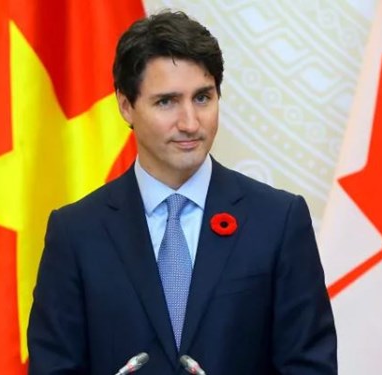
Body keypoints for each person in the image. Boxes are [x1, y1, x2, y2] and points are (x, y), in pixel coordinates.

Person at [27, 10, 337, 375]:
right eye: (166, 102)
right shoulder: (76, 232)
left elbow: (310, 367)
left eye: (203, 98)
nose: (190, 123)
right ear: (126, 106)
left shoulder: (277, 221)